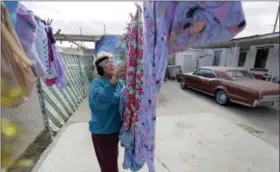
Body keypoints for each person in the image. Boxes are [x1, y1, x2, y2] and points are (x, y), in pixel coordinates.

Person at [89, 51, 126, 172]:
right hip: (103, 133)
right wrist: (114, 79)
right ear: (99, 68)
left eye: (112, 60)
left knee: (112, 161)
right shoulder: (97, 84)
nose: (111, 63)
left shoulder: (120, 83)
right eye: (106, 61)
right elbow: (101, 103)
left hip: (116, 130)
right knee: (109, 167)